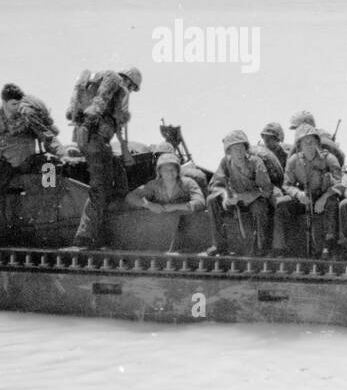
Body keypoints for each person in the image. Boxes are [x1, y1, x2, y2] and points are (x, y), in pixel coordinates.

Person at [66, 66, 141, 250]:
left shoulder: (115, 89)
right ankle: (84, 237)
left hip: (95, 139)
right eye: (132, 88)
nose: (130, 92)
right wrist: (88, 125)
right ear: (129, 81)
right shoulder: (115, 79)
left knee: (119, 175)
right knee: (100, 187)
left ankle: (111, 224)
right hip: (94, 138)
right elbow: (100, 101)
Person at [0, 83, 63, 240]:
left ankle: (46, 225)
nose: (17, 107)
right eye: (13, 104)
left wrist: (62, 153)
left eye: (18, 103)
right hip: (7, 159)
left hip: (27, 158)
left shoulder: (26, 114)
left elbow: (46, 135)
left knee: (50, 170)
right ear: (4, 102)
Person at [276, 126, 344, 258]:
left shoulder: (329, 159)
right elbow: (286, 184)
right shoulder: (294, 161)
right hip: (304, 197)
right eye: (304, 142)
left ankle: (329, 245)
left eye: (311, 141)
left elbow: (340, 184)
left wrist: (324, 197)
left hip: (323, 197)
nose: (308, 145)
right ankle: (280, 248)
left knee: (332, 203)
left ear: (317, 143)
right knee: (281, 204)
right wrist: (297, 194)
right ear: (299, 144)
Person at [206, 129, 274, 255]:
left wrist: (246, 196)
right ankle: (219, 245)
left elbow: (267, 190)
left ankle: (261, 246)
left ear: (246, 148)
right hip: (234, 199)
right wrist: (225, 195)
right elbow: (214, 185)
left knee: (260, 208)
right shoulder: (225, 162)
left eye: (241, 148)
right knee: (212, 200)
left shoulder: (255, 162)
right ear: (229, 151)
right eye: (235, 149)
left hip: (254, 199)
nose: (239, 152)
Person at [124, 152, 204, 251]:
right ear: (159, 172)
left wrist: (176, 207)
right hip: (160, 230)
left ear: (178, 170)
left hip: (185, 229)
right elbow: (130, 197)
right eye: (165, 170)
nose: (170, 173)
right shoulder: (154, 185)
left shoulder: (188, 183)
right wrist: (148, 205)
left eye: (172, 169)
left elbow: (200, 202)